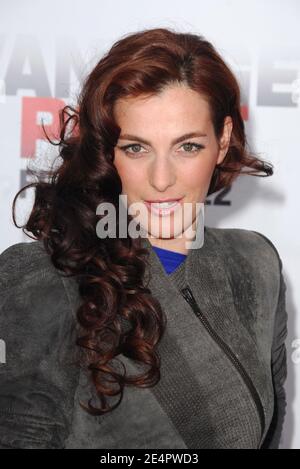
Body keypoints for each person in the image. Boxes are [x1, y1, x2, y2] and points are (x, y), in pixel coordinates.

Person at [0, 27, 288, 449]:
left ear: (223, 141)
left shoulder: (255, 264)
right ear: (108, 151)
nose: (161, 179)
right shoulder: (45, 278)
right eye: (137, 148)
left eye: (187, 147)